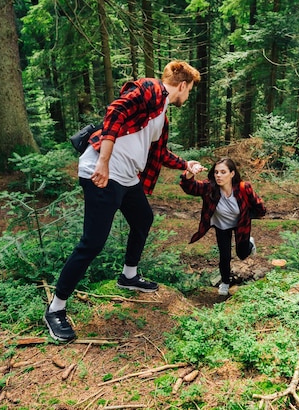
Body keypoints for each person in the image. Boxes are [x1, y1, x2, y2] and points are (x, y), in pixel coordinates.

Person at [44, 60, 204, 342]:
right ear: (182, 85)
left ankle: (128, 275)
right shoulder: (151, 89)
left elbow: (159, 152)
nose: (188, 96)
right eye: (189, 90)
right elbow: (115, 112)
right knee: (92, 243)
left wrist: (185, 165)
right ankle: (56, 308)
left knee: (143, 219)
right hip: (103, 172)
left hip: (127, 177)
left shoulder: (161, 112)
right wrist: (103, 162)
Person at [180, 157, 266, 296]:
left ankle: (250, 242)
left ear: (232, 174)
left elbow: (260, 207)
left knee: (242, 254)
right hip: (221, 226)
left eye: (223, 172)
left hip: (240, 225)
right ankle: (225, 282)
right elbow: (190, 187)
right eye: (216, 172)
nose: (218, 175)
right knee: (224, 256)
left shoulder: (244, 187)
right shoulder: (210, 187)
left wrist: (247, 215)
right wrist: (190, 173)